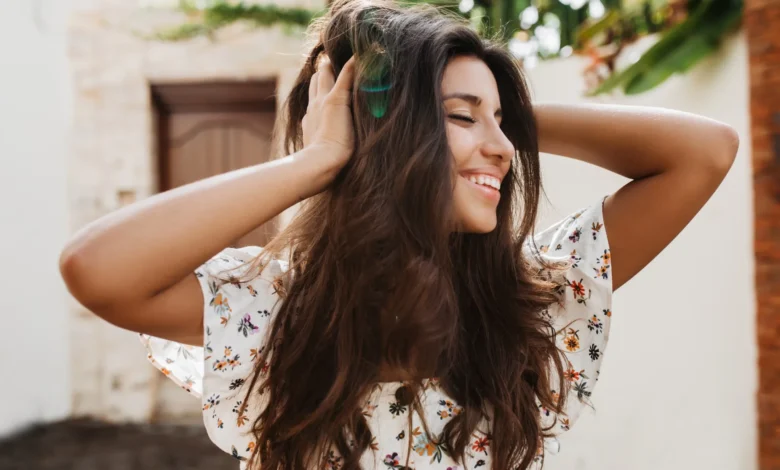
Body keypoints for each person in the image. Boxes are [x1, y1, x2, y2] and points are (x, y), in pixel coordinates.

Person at [59, 0, 739, 468]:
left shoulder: (530, 294)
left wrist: (505, 116)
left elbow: (704, 151)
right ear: (387, 133)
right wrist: (317, 161)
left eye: (504, 120)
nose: (505, 148)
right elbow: (96, 268)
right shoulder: (279, 309)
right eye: (463, 117)